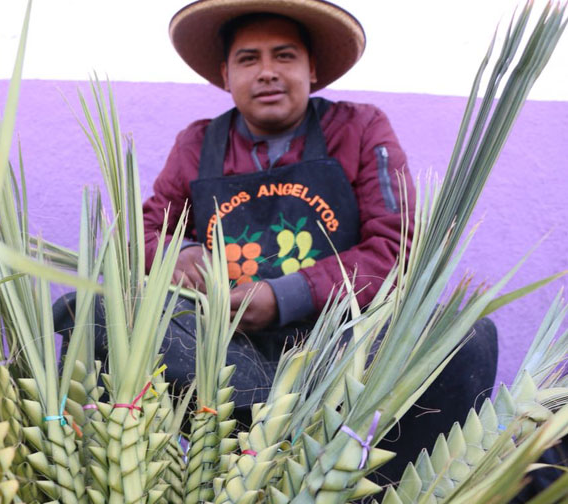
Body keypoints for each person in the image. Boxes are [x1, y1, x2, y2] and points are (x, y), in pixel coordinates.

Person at [55, 0, 498, 483]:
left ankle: (382, 490)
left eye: (284, 56)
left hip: (337, 356)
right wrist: (178, 255)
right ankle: (156, 472)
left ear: (312, 68)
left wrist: (286, 295)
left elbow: (399, 250)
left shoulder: (359, 128)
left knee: (466, 335)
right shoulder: (196, 144)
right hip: (225, 361)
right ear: (226, 74)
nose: (267, 72)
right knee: (93, 311)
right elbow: (141, 234)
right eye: (249, 59)